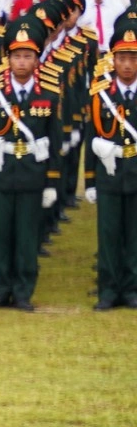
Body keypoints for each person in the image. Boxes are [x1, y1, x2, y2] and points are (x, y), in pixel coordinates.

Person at [0, 27, 58, 311]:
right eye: (17, 56)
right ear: (8, 59)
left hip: (32, 175)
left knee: (26, 238)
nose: (22, 62)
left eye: (27, 56)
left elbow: (54, 140)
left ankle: (23, 292)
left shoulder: (48, 93)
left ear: (37, 59)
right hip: (1, 174)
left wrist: (51, 183)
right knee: (0, 237)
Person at [86, 18, 137, 311]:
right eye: (122, 58)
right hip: (109, 175)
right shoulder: (100, 94)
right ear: (112, 59)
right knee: (108, 235)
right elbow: (91, 140)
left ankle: (131, 289)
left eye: (133, 58)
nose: (128, 65)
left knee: (134, 235)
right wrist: (90, 181)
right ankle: (107, 290)